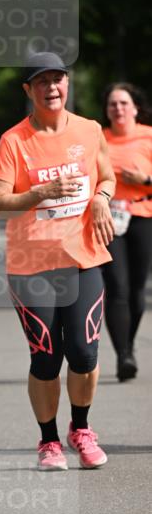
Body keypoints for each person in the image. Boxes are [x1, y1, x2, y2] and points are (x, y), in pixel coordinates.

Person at [0, 52, 115, 471]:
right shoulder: (14, 141)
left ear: (67, 83)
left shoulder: (90, 129)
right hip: (31, 265)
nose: (52, 87)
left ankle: (81, 428)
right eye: (41, 81)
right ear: (29, 90)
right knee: (46, 357)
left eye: (57, 79)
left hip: (84, 257)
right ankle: (49, 441)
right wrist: (40, 193)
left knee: (84, 352)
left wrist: (101, 198)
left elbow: (108, 177)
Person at [101, 83, 152, 381]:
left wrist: (144, 178)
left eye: (123, 103)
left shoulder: (148, 136)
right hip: (110, 218)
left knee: (135, 289)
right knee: (117, 287)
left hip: (143, 214)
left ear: (135, 108)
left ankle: (129, 344)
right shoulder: (99, 138)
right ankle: (123, 355)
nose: (118, 109)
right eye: (112, 104)